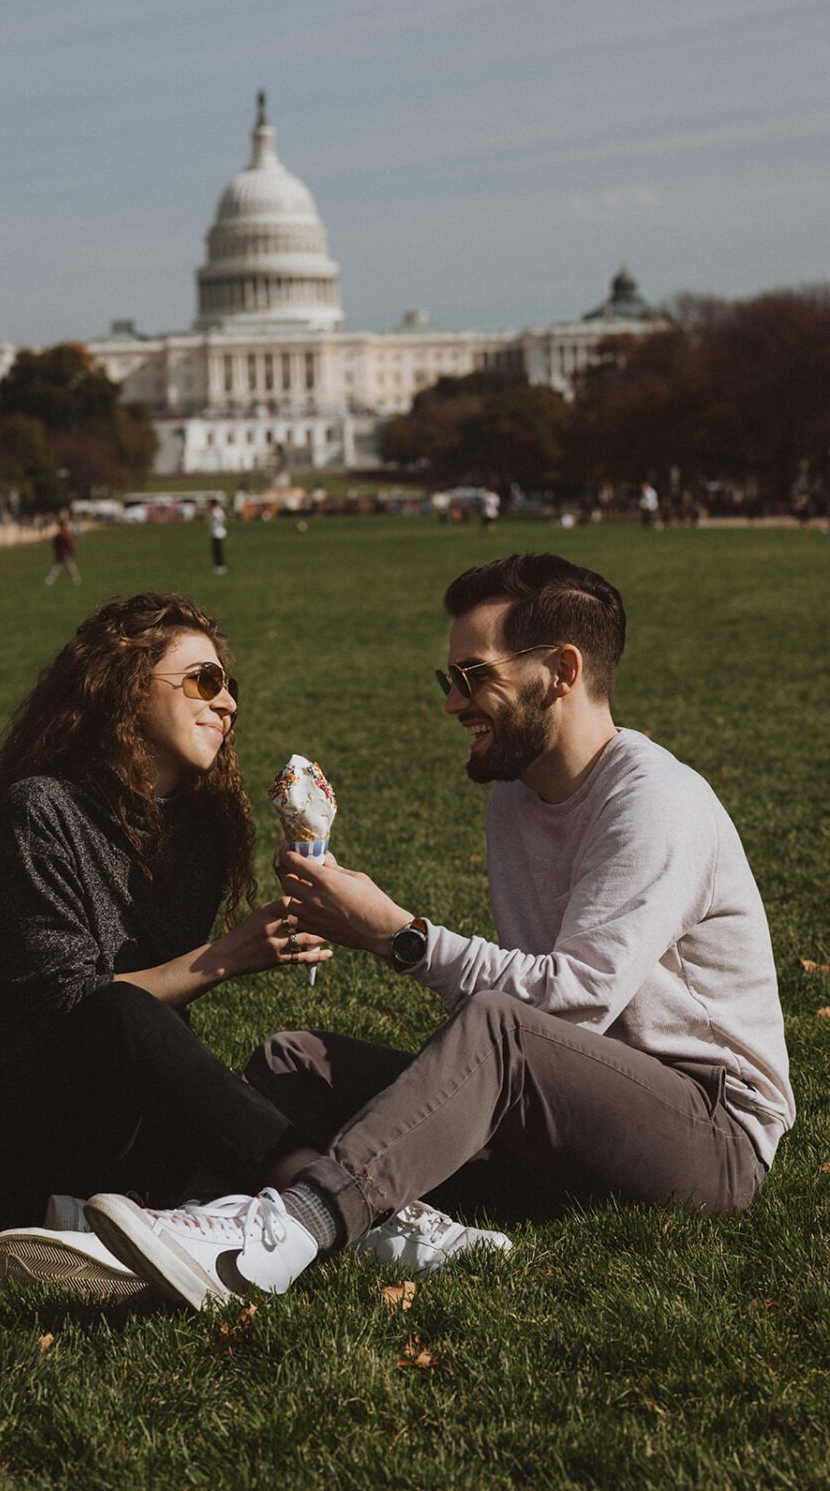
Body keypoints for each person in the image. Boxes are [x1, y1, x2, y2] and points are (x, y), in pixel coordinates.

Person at [82, 553, 795, 1312]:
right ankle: (192, 1221)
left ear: (561, 670)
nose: (455, 704)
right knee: (294, 1059)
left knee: (499, 1031)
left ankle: (293, 1227)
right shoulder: (515, 803)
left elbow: (573, 1004)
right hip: (563, 1118)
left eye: (473, 676)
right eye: (448, 680)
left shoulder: (657, 803)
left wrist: (400, 936)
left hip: (709, 1130)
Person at [0, 592, 497, 1296]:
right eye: (203, 679)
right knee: (120, 1010)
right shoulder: (39, 811)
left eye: (231, 685)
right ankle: (344, 1203)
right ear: (126, 685)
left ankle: (113, 1219)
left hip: (126, 1127)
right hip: (13, 1128)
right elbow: (68, 1012)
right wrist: (229, 955)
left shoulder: (198, 831)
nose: (226, 702)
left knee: (266, 1069)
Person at [45, 515, 81, 585]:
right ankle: (76, 579)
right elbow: (69, 543)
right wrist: (72, 551)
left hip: (60, 553)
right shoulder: (65, 534)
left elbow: (54, 543)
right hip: (66, 553)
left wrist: (56, 550)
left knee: (57, 566)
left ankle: (50, 579)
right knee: (70, 566)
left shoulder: (59, 535)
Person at [208, 499, 227, 574]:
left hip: (217, 532)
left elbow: (215, 522)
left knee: (218, 550)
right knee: (217, 550)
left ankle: (220, 566)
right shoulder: (219, 510)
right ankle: (219, 565)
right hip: (219, 532)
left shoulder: (215, 511)